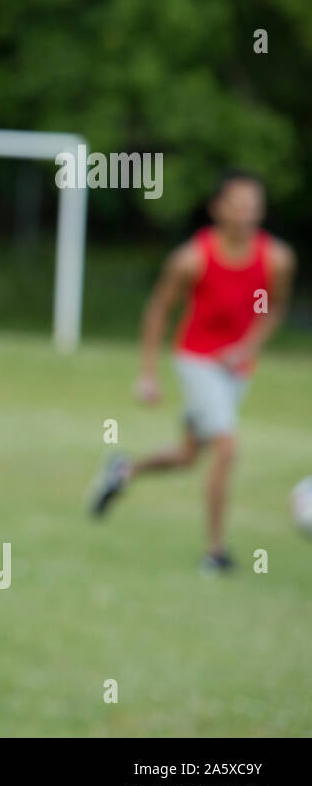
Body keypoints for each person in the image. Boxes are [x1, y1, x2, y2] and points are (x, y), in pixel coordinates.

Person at [90, 169, 297, 572]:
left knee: (188, 455)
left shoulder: (276, 259)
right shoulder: (191, 259)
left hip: (237, 369)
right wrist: (147, 373)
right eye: (237, 205)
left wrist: (246, 348)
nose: (246, 214)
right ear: (218, 208)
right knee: (227, 446)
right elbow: (159, 311)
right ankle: (215, 553)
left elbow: (270, 307)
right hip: (196, 359)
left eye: (254, 206)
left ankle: (123, 470)